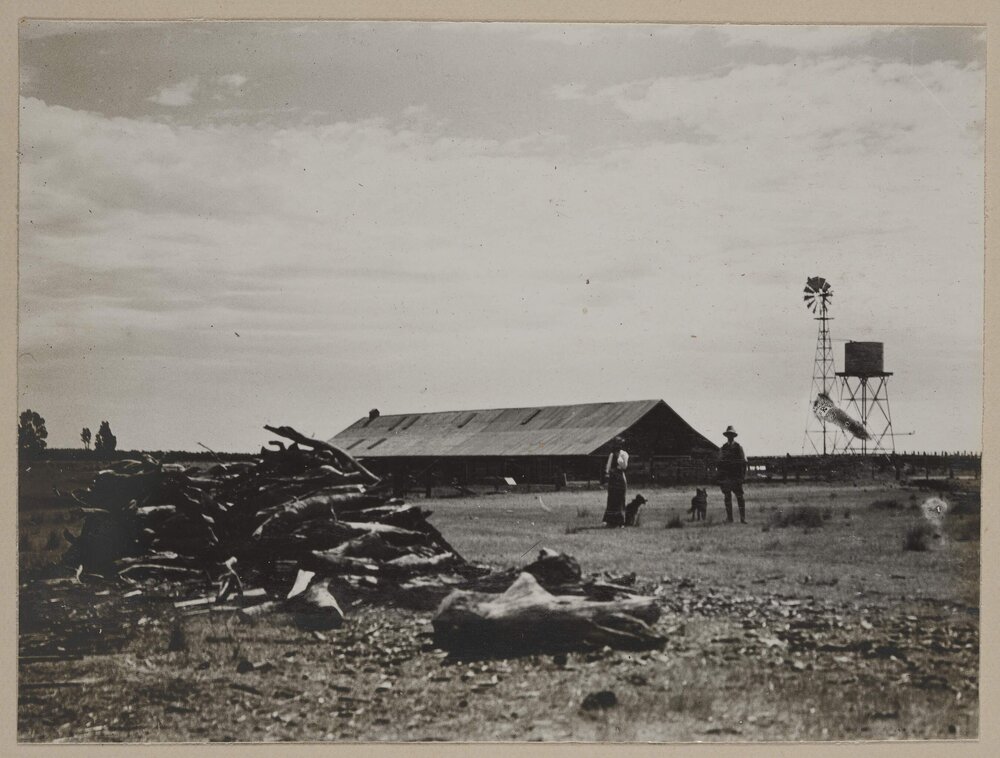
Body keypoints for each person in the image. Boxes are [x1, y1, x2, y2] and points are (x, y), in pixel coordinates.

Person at [717, 426, 748, 523]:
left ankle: (743, 518)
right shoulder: (723, 448)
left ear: (734, 436)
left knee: (740, 497)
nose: (730, 436)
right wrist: (721, 477)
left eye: (731, 435)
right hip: (726, 477)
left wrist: (743, 476)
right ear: (726, 436)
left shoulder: (739, 447)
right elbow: (719, 463)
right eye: (728, 435)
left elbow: (744, 462)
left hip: (736, 476)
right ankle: (730, 518)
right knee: (727, 497)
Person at [602, 437, 629, 527]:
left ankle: (621, 522)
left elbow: (624, 466)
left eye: (619, 444)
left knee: (620, 499)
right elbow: (608, 467)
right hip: (613, 478)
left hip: (620, 477)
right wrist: (608, 473)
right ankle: (610, 521)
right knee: (612, 499)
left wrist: (618, 458)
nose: (618, 446)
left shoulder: (624, 454)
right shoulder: (611, 454)